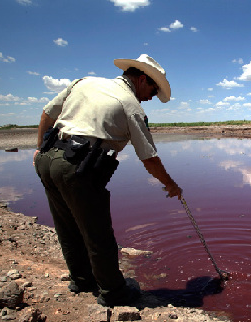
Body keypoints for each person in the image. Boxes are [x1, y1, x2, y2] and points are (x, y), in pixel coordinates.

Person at [33, 54, 182, 307]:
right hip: (78, 168)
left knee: (67, 226)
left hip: (48, 161)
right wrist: (170, 184)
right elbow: (149, 159)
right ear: (142, 79)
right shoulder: (130, 105)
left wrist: (38, 151)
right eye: (153, 90)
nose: (151, 97)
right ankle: (114, 292)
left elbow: (47, 114)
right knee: (97, 234)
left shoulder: (83, 82)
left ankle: (81, 280)